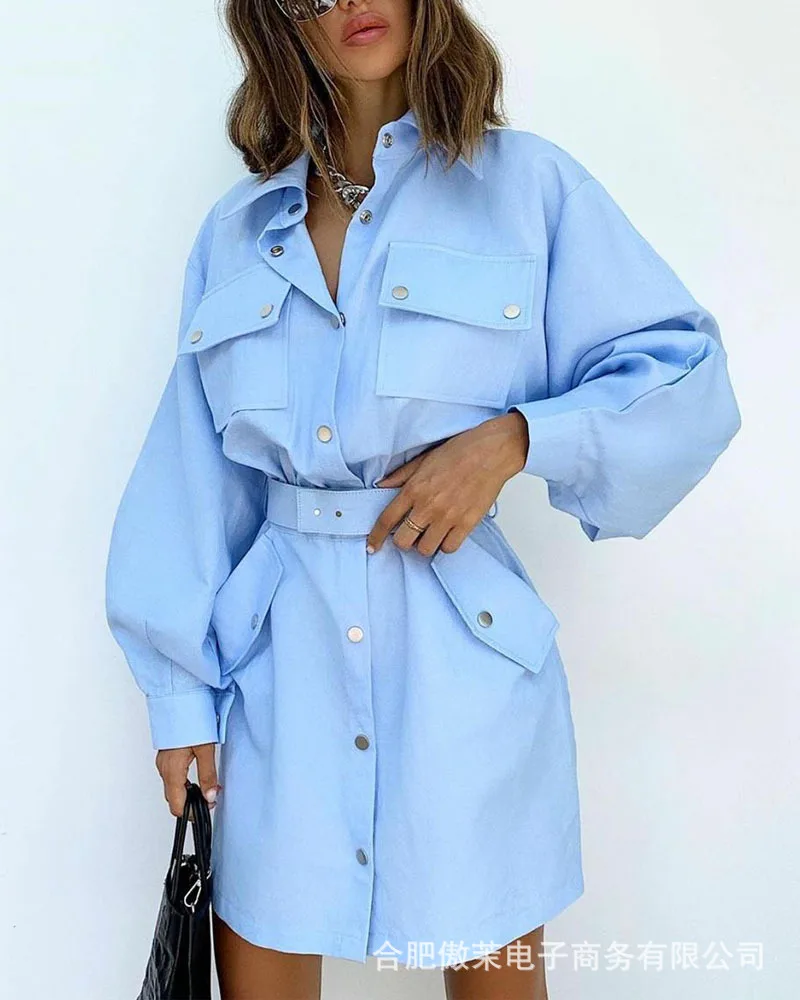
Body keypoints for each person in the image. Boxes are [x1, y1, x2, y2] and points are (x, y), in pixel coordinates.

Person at [104, 0, 742, 996]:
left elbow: (684, 375)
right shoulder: (236, 233)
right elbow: (190, 473)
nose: (348, 3)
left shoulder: (527, 188)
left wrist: (516, 439)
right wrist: (179, 692)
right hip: (276, 684)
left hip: (463, 670)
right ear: (279, 24)